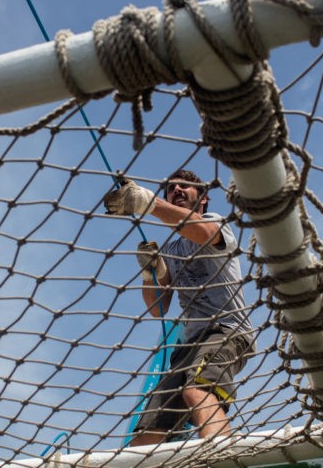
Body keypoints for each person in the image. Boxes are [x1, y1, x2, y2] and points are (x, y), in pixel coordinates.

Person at [104, 170, 254, 446]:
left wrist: (147, 203)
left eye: (185, 186)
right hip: (189, 345)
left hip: (226, 332)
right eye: (171, 188)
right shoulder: (172, 249)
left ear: (204, 199)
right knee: (148, 431)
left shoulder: (215, 222)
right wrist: (151, 274)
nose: (177, 190)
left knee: (197, 390)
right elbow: (158, 309)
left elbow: (204, 233)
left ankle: (223, 459)